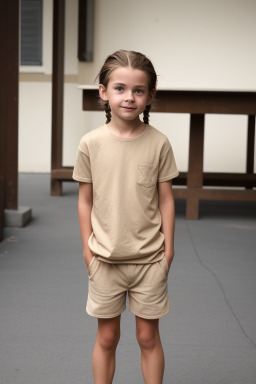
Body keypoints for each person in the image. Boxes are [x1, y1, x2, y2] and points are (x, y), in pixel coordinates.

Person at [73, 50, 179, 384]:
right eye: (120, 88)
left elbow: (165, 199)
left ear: (150, 95)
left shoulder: (159, 143)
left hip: (150, 260)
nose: (129, 97)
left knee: (148, 338)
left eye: (138, 90)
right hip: (105, 260)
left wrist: (169, 250)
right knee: (107, 338)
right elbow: (85, 201)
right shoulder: (90, 144)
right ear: (103, 92)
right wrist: (88, 253)